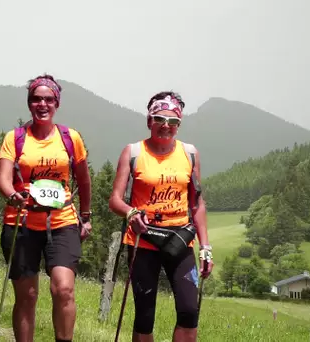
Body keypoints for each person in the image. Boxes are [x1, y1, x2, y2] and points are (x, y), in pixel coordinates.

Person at [108, 91, 213, 342]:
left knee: (189, 311)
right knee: (145, 316)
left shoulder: (190, 153)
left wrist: (205, 246)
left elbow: (197, 203)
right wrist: (131, 212)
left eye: (173, 121)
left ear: (179, 125)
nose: (166, 126)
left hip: (180, 239)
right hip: (143, 240)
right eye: (159, 119)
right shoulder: (133, 152)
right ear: (148, 121)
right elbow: (115, 200)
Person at [0, 74, 92, 342]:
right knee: (27, 296)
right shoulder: (14, 138)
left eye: (48, 99)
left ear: (56, 104)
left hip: (62, 222)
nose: (42, 104)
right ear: (29, 103)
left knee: (63, 289)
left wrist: (86, 217)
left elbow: (83, 180)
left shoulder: (70, 138)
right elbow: (4, 178)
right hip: (22, 221)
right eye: (37, 99)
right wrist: (13, 193)